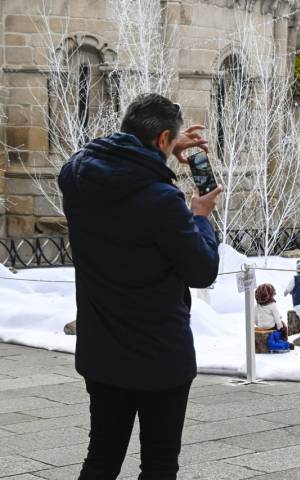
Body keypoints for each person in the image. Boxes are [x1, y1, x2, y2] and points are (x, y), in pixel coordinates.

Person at [58, 93, 221, 479]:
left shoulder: (76, 177)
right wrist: (199, 216)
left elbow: (110, 160)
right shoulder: (161, 200)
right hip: (159, 357)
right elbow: (201, 271)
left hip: (102, 352)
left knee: (101, 458)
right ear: (164, 138)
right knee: (159, 464)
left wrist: (162, 149)